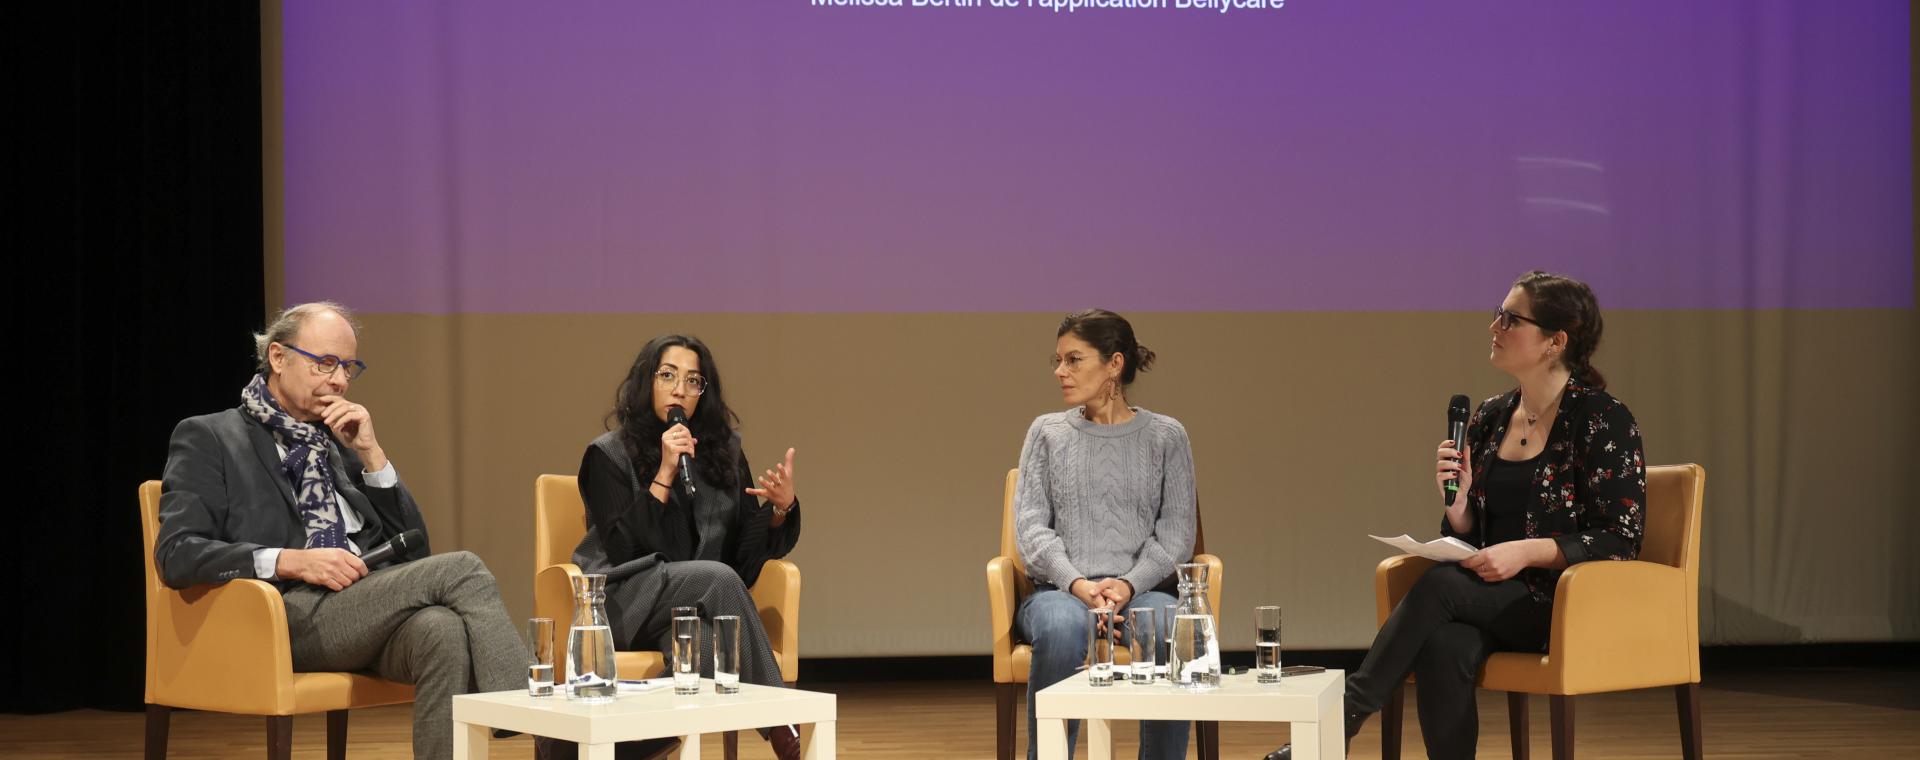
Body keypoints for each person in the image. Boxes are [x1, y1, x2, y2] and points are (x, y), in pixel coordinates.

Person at [1268, 271, 1647, 760]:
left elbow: (1621, 539)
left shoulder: (1601, 418)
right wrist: (1461, 504)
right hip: (1495, 598)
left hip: (1565, 601)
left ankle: (1339, 724)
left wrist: (1525, 552)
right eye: (1497, 313)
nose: (1495, 325)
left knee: (1442, 585)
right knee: (1444, 647)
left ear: (1555, 341)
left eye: (1511, 318)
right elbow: (1470, 535)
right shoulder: (1490, 415)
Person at [155, 302, 528, 760]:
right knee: (465, 568)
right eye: (326, 363)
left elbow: (415, 552)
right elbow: (177, 553)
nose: (339, 381)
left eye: (349, 368)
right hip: (279, 614)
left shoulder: (337, 442)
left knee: (442, 630)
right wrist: (291, 560)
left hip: (360, 606)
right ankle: (530, 717)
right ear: (278, 357)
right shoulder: (209, 436)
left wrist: (372, 453)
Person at [573, 335, 804, 760]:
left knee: (701, 642)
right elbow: (623, 549)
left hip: (691, 607)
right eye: (668, 375)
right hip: (625, 601)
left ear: (703, 394)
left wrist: (779, 511)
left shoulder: (724, 455)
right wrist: (663, 472)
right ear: (647, 382)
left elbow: (739, 562)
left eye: (693, 381)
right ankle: (781, 724)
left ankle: (639, 742)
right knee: (714, 579)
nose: (680, 389)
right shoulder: (607, 455)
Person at [1014, 309, 1195, 760]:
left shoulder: (1166, 436)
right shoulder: (1047, 432)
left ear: (1114, 363)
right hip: (1060, 591)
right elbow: (1033, 530)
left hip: (1142, 590)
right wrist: (1080, 586)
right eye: (1057, 360)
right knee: (1061, 623)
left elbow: (1176, 535)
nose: (1060, 372)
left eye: (1074, 360)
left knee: (1170, 621)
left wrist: (1128, 584)